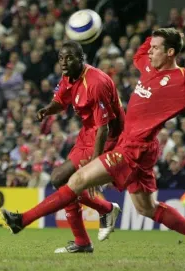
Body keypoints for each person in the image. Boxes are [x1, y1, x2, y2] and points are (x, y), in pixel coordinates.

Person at [1, 28, 185, 258]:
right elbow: (140, 52)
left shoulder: (183, 80)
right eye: (151, 47)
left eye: (157, 49)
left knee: (76, 181)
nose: (149, 53)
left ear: (171, 52)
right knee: (147, 208)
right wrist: (157, 34)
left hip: (131, 149)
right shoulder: (147, 64)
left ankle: (22, 220)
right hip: (142, 149)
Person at [35, 41, 125, 253]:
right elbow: (61, 102)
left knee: (59, 178)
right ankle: (86, 237)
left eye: (69, 58)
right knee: (62, 181)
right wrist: (48, 110)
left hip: (107, 136)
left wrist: (94, 165)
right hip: (87, 133)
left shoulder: (96, 83)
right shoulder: (68, 77)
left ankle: (105, 211)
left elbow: (104, 127)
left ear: (81, 59)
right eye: (61, 58)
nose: (64, 63)